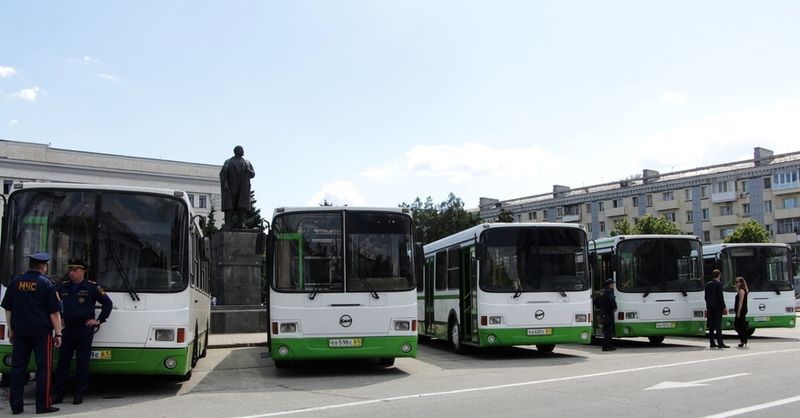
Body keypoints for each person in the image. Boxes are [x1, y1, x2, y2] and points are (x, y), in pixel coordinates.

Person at [0, 252, 62, 415]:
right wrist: (59, 334)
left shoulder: (16, 282)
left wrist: (11, 331)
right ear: (43, 267)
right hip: (41, 333)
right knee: (44, 368)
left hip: (20, 331)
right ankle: (43, 406)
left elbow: (8, 309)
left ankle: (16, 406)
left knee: (18, 368)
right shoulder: (46, 283)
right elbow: (54, 313)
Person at [52, 258, 113, 405]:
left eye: (75, 270)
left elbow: (107, 303)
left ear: (83, 271)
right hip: (67, 330)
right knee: (62, 363)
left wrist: (99, 320)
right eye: (70, 270)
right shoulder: (63, 286)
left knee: (82, 363)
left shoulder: (92, 287)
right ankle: (58, 394)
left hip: (84, 331)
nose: (71, 273)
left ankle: (79, 393)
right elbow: (53, 302)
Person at [219, 145, 255, 229]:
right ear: (236, 151)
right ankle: (228, 224)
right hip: (232, 188)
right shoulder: (228, 161)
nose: (243, 151)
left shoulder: (247, 162)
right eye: (241, 150)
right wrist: (225, 184)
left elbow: (253, 174)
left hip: (243, 188)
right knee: (229, 207)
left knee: (242, 207)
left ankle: (241, 223)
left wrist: (249, 171)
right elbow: (223, 174)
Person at [705, 269, 729, 349]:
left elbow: (706, 297)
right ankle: (720, 343)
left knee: (711, 326)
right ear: (719, 275)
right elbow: (720, 297)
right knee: (718, 326)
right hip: (717, 308)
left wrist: (708, 306)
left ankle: (712, 342)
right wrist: (724, 307)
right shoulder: (719, 284)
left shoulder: (707, 285)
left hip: (710, 308)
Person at [600, 279, 617, 352]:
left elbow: (597, 301)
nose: (613, 285)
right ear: (609, 285)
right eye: (612, 284)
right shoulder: (610, 292)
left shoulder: (603, 292)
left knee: (606, 331)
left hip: (604, 313)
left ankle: (606, 346)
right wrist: (615, 307)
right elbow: (612, 300)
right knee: (609, 332)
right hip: (609, 313)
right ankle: (608, 346)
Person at [733, 276, 749, 348]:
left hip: (741, 310)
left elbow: (740, 302)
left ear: (741, 282)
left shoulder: (742, 291)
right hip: (741, 310)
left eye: (737, 282)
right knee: (740, 325)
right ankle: (743, 340)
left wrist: (738, 311)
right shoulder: (741, 290)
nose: (735, 283)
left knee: (739, 325)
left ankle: (743, 340)